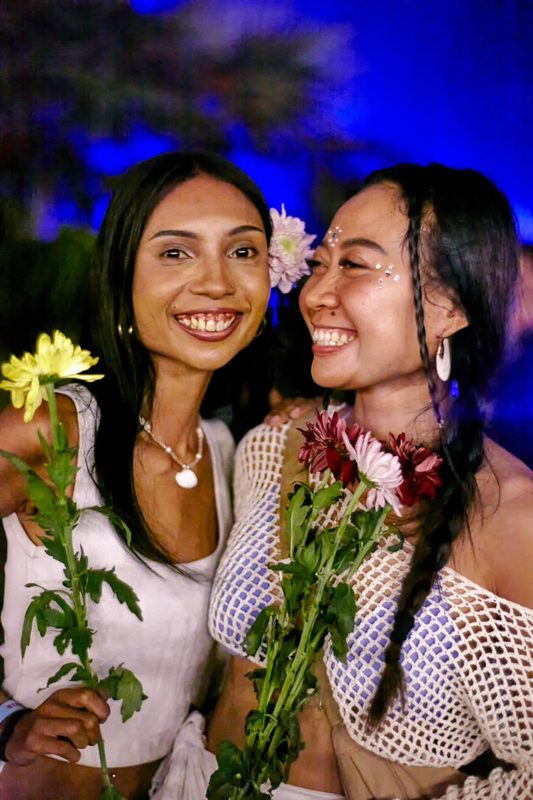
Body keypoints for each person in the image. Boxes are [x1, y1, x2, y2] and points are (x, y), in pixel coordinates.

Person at [205, 163, 533, 799]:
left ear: (450, 306)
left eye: (354, 265)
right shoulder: (272, 450)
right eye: (319, 264)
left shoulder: (509, 517)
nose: (315, 294)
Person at [0, 151, 274, 800]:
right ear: (121, 276)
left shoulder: (232, 456)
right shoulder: (55, 428)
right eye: (176, 253)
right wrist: (7, 723)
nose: (216, 283)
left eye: (242, 252)